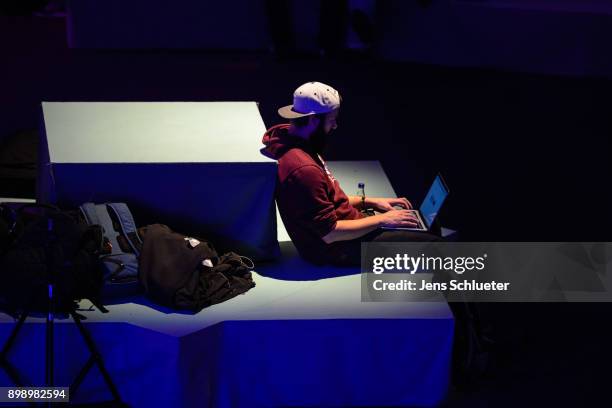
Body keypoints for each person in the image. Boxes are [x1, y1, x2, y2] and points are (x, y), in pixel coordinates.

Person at [262, 81, 439, 266]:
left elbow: (325, 201)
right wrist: (383, 219)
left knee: (424, 226)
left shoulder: (296, 141)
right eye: (331, 120)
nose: (334, 126)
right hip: (340, 247)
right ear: (314, 121)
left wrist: (369, 201)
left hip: (349, 230)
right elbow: (330, 233)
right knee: (435, 246)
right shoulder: (303, 169)